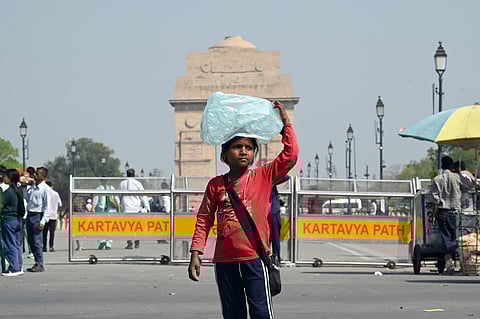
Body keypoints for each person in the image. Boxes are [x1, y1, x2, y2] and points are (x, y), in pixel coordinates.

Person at [188, 100, 298, 319]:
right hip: (225, 262)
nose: (244, 152)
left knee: (261, 313)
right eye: (237, 147)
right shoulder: (215, 185)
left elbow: (291, 155)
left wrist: (285, 122)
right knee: (232, 314)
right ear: (225, 154)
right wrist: (196, 252)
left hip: (255, 259)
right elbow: (204, 219)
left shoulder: (264, 177)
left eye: (249, 148)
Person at [431, 156, 473, 274]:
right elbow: (469, 186)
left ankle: (449, 258)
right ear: (451, 166)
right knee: (455, 237)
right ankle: (454, 258)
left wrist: (439, 200)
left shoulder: (437, 179)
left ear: (442, 166)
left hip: (442, 211)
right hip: (455, 212)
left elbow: (434, 197)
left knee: (446, 237)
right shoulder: (457, 177)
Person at [23, 167, 51, 273]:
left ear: (43, 177)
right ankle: (36, 261)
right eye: (35, 173)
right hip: (30, 214)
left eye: (38, 174)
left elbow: (47, 207)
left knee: (37, 241)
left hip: (37, 216)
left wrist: (43, 221)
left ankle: (40, 263)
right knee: (30, 240)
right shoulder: (33, 187)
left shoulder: (45, 189)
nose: (35, 175)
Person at [1, 169, 25, 276]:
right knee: (16, 244)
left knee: (9, 244)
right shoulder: (18, 190)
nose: (3, 178)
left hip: (9, 219)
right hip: (17, 219)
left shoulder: (8, 192)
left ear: (10, 178)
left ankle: (14, 268)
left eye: (5, 176)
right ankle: (18, 266)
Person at [120, 168, 150, 249]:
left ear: (126, 174)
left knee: (127, 227)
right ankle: (137, 242)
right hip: (136, 208)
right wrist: (147, 207)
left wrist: (119, 204)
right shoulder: (138, 183)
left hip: (126, 208)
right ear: (134, 174)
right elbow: (143, 196)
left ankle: (129, 242)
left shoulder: (122, 183)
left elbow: (118, 195)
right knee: (137, 226)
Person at [93, 181, 120, 250]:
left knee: (99, 226)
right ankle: (108, 244)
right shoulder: (112, 188)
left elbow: (95, 199)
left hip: (101, 209)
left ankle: (102, 241)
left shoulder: (98, 188)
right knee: (110, 227)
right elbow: (116, 199)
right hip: (110, 209)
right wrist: (118, 206)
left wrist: (93, 207)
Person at [269, 176, 290, 266]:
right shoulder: (270, 179)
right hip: (272, 210)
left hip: (265, 210)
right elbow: (286, 177)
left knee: (266, 236)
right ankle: (276, 257)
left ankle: (269, 257)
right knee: (275, 236)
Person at [42, 181, 62, 252]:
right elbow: (60, 204)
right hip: (53, 216)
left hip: (45, 215)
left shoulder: (44, 193)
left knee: (44, 232)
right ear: (52, 186)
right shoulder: (55, 193)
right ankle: (51, 246)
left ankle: (44, 246)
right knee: (52, 232)